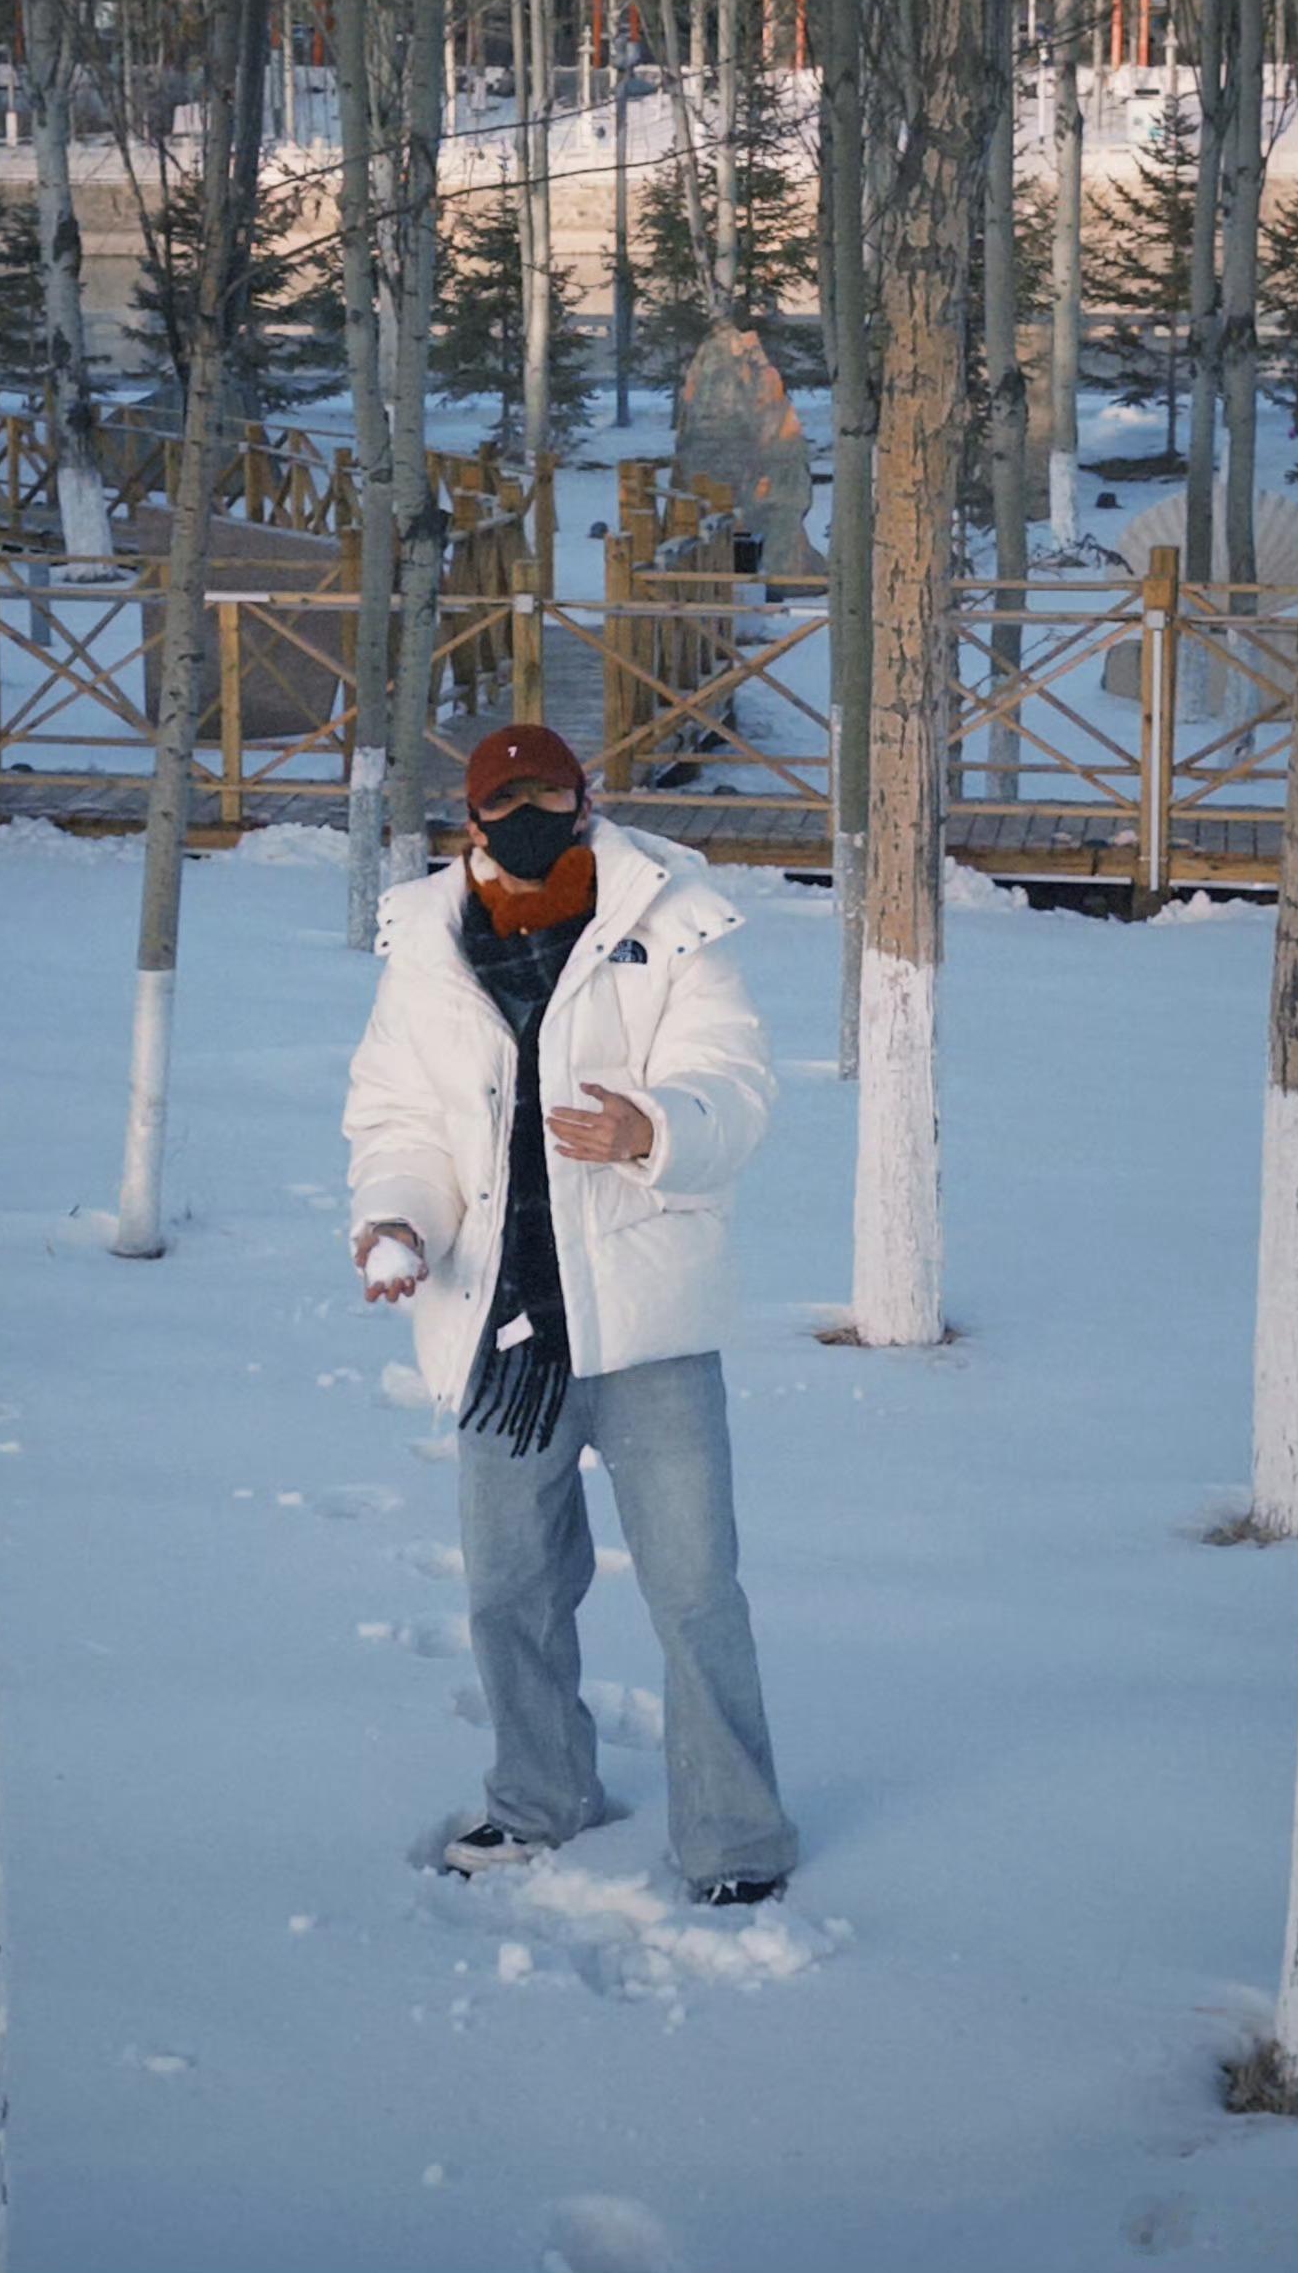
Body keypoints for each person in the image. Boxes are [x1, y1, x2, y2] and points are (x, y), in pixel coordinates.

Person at [343, 723, 797, 1907]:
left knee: (697, 1595)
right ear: (473, 814)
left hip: (647, 1323)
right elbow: (396, 1119)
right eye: (508, 798)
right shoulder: (427, 946)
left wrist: (652, 1128)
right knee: (507, 1591)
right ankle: (539, 1799)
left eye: (549, 789)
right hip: (499, 1329)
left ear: (584, 798)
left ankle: (733, 1841)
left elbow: (736, 1086)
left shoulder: (672, 923)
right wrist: (395, 1222)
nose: (530, 811)